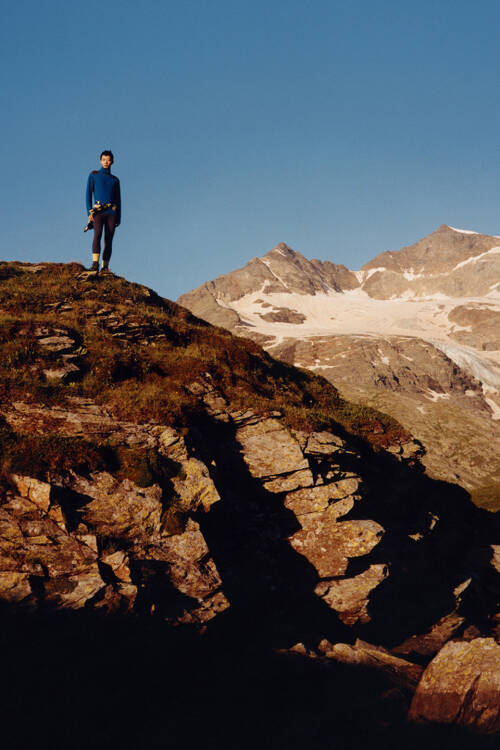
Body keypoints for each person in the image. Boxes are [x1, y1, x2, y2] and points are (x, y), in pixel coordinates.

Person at [85, 150, 121, 273]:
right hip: (98, 211)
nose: (106, 162)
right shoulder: (94, 175)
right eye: (104, 160)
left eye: (108, 160)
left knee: (108, 240)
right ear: (100, 161)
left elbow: (118, 200)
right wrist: (89, 212)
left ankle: (105, 267)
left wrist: (118, 217)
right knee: (97, 234)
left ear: (112, 162)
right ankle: (95, 263)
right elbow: (88, 195)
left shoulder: (115, 180)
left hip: (111, 213)